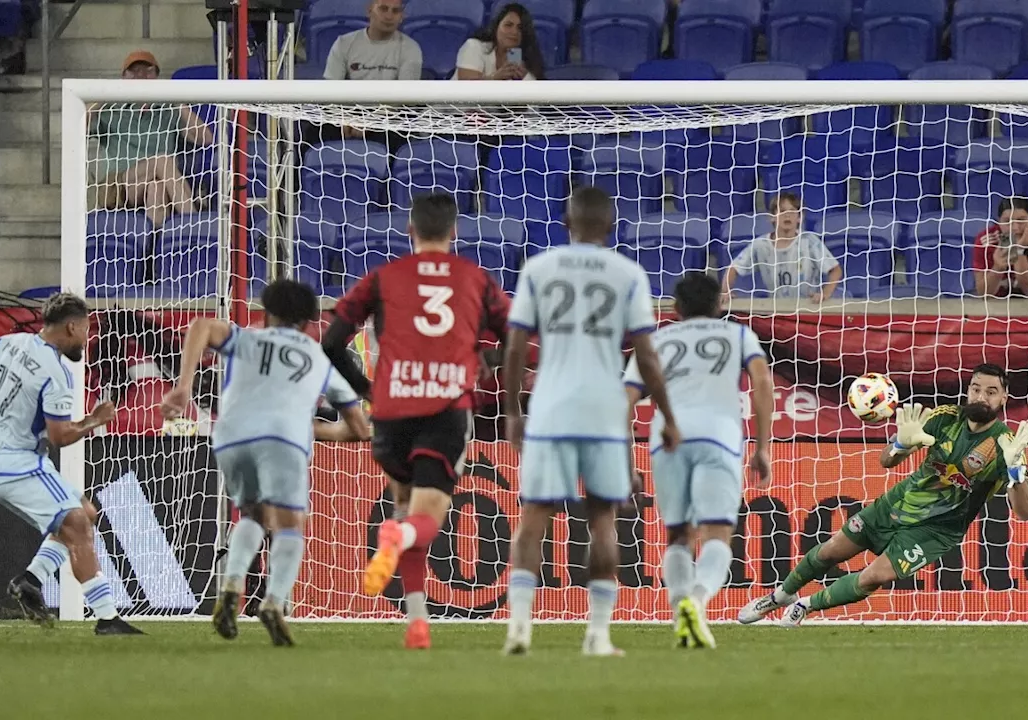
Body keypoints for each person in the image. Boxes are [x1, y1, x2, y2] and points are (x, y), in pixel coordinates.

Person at [320, 193, 511, 650]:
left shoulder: (382, 277)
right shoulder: (477, 279)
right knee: (424, 519)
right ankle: (399, 536)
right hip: (445, 408)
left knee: (405, 504)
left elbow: (330, 342)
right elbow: (521, 335)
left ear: (410, 231)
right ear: (454, 233)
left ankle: (417, 621)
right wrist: (487, 356)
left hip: (391, 411)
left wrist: (366, 388)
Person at [502, 186, 681, 657]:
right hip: (603, 410)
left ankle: (519, 628)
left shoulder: (538, 269)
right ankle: (597, 636)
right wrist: (666, 415)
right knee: (604, 521)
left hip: (551, 407)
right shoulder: (628, 274)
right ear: (610, 225)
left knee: (533, 518)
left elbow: (516, 347)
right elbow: (646, 354)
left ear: (566, 221)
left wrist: (513, 411)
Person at [738, 365, 1028, 626]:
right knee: (830, 550)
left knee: (873, 577)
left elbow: (1025, 512)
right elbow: (886, 461)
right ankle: (779, 596)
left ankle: (805, 605)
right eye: (976, 388)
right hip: (896, 505)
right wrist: (901, 444)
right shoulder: (944, 418)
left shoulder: (1007, 444)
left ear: (1004, 398)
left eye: (991, 392)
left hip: (935, 531)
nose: (981, 396)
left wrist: (1017, 473)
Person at [160, 280, 369, 646]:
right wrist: (309, 429)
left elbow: (200, 327)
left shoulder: (248, 338)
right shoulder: (317, 358)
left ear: (267, 312)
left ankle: (230, 585)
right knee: (289, 525)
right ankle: (272, 603)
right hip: (284, 439)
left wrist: (182, 386)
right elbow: (358, 427)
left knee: (255, 514)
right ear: (308, 322)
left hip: (231, 435)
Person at [0, 293, 142, 635]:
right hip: (22, 465)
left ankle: (30, 579)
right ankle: (108, 619)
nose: (86, 337)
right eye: (85, 329)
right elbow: (59, 436)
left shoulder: (6, 343)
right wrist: (94, 420)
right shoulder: (56, 372)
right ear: (71, 326)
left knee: (86, 512)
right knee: (79, 524)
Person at [623, 272, 774, 649]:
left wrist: (626, 462)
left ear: (675, 309)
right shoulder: (738, 334)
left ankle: (680, 611)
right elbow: (763, 382)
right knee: (717, 534)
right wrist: (763, 446)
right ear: (719, 305)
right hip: (718, 436)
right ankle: (698, 600)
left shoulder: (655, 341)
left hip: (667, 438)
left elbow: (623, 401)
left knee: (677, 536)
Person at [88, 51, 213, 227]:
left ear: (156, 76)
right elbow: (79, 125)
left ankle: (154, 250)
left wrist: (177, 101)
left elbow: (205, 138)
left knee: (157, 189)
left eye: (147, 71)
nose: (141, 76)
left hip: (154, 183)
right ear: (123, 77)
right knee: (162, 161)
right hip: (117, 186)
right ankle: (192, 225)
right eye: (134, 71)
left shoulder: (167, 109)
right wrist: (104, 95)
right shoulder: (112, 109)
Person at [721, 192, 841, 303]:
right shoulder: (760, 244)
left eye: (792, 211)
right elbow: (733, 268)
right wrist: (725, 291)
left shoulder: (809, 241)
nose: (787, 215)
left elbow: (835, 270)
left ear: (799, 217)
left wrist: (825, 293)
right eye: (782, 211)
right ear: (772, 217)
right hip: (776, 309)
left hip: (808, 307)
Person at [972, 197, 1028, 299]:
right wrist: (998, 268)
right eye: (1007, 221)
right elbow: (983, 293)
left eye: (1021, 220)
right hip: (998, 304)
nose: (1015, 228)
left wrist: (1019, 250)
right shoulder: (986, 241)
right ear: (999, 222)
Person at [324, 0, 422, 83]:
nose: (389, 16)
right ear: (369, 11)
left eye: (395, 11)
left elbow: (406, 96)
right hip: (351, 105)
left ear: (401, 17)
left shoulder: (411, 48)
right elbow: (330, 90)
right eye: (383, 9)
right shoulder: (343, 43)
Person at [453, 3, 544, 81]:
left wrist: (525, 78)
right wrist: (495, 78)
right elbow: (466, 88)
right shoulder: (474, 46)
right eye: (508, 25)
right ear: (496, 27)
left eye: (520, 28)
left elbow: (537, 97)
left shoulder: (526, 60)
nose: (514, 32)